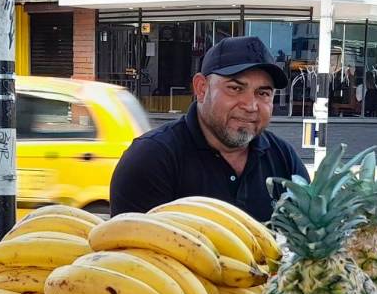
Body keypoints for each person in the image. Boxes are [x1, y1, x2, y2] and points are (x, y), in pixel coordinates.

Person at [110, 36, 310, 224]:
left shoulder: (284, 158)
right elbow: (134, 255)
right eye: (235, 88)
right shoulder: (151, 159)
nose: (251, 105)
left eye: (263, 93)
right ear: (201, 88)